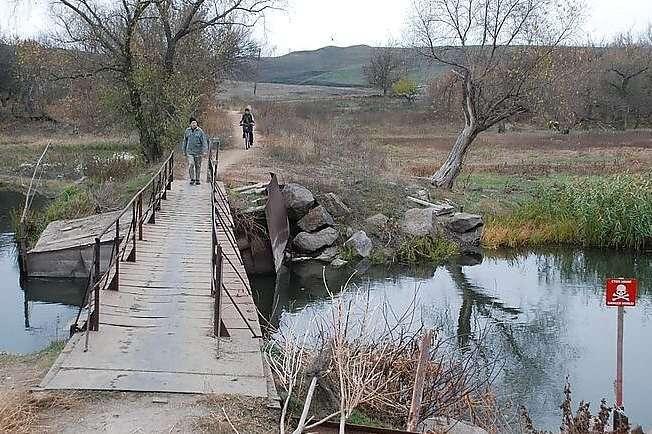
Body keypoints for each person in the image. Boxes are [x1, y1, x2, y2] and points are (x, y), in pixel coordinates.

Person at [182, 117, 207, 185]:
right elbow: (185, 141)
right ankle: (192, 178)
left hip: (198, 152)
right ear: (190, 124)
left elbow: (204, 141)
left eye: (195, 123)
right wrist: (183, 150)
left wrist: (205, 151)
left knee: (198, 166)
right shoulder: (187, 131)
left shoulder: (200, 131)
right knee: (191, 164)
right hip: (189, 152)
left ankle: (197, 179)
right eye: (192, 123)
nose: (194, 124)